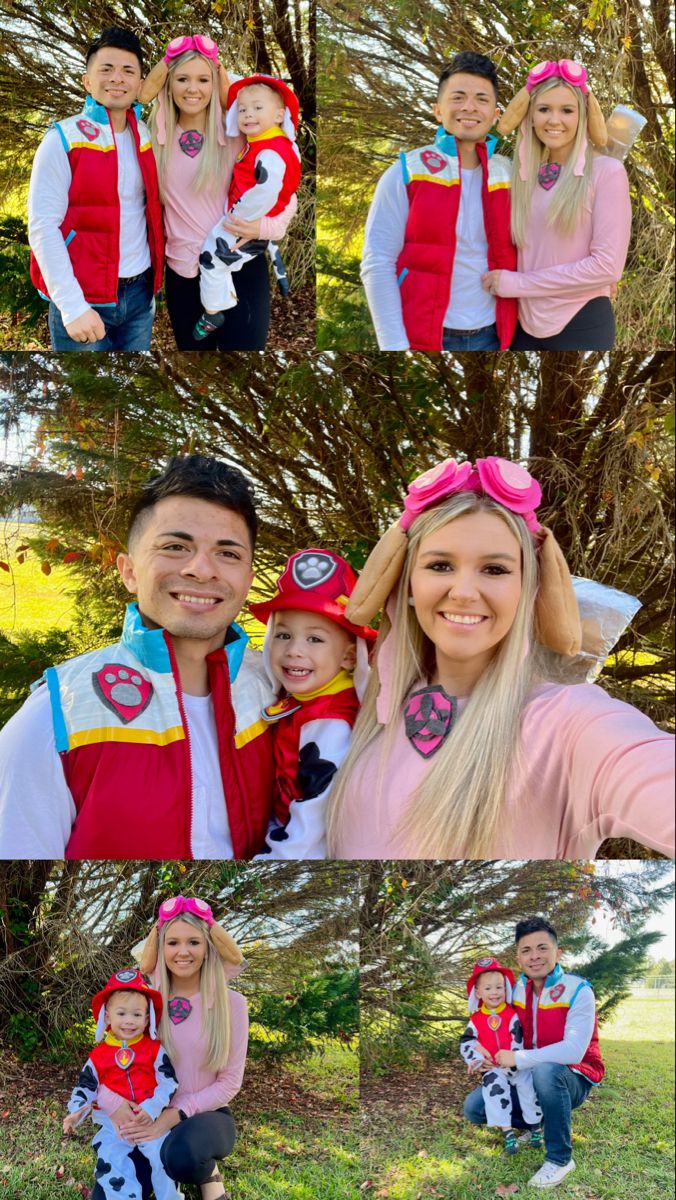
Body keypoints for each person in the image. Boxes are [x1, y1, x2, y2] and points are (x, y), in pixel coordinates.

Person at [326, 455, 675, 858]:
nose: (463, 592)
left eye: (494, 570)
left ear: (527, 590)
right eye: (440, 565)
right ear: (406, 584)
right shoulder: (367, 702)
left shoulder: (571, 722)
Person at [0, 455, 275, 859]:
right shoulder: (57, 714)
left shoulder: (282, 695)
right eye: (175, 547)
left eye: (228, 554)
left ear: (248, 579)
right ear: (129, 571)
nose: (202, 570)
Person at [140, 37, 298, 351]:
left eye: (203, 79)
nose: (192, 88)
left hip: (239, 265)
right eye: (182, 79)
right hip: (182, 273)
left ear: (215, 83)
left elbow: (286, 191)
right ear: (169, 85)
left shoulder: (241, 134)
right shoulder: (152, 138)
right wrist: (167, 60)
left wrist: (267, 228)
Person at [91, 895, 248, 1200]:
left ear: (207, 947)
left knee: (183, 1156)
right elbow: (115, 1059)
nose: (183, 952)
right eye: (172, 942)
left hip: (204, 1114)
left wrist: (174, 1115)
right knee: (105, 1196)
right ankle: (157, 1169)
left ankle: (208, 1175)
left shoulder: (232, 1004)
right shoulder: (147, 1002)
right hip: (150, 1112)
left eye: (194, 942)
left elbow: (230, 1083)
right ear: (162, 948)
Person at [361, 51, 517, 351]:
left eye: (482, 99)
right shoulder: (408, 171)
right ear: (438, 110)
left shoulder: (511, 175)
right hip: (425, 335)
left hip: (497, 335)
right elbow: (378, 261)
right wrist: (394, 344)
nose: (469, 107)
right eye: (458, 97)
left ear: (496, 115)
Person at [28, 27, 164, 350]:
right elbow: (43, 227)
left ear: (140, 85)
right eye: (106, 69)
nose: (117, 78)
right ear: (87, 81)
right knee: (85, 398)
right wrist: (72, 306)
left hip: (139, 299)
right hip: (83, 300)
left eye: (128, 71)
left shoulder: (146, 136)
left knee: (131, 394)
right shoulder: (62, 139)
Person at [481, 60, 631, 350]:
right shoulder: (521, 176)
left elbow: (607, 267)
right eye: (544, 109)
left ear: (583, 115)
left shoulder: (607, 172)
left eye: (567, 110)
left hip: (581, 322)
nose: (554, 120)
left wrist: (516, 284)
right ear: (530, 116)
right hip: (522, 324)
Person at [248, 550, 377, 857]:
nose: (293, 650)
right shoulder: (306, 696)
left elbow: (317, 807)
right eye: (282, 635)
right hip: (281, 828)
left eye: (315, 639)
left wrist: (279, 856)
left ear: (348, 656)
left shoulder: (330, 720)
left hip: (303, 847)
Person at [464, 918, 604, 1189]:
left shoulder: (578, 990)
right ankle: (533, 1123)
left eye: (542, 948)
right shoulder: (514, 990)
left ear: (558, 953)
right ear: (518, 957)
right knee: (475, 1107)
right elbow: (492, 1026)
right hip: (526, 1074)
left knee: (546, 1070)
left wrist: (518, 1058)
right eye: (526, 950)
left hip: (572, 1076)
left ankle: (560, 1159)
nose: (534, 956)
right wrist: (480, 1056)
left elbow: (574, 1051)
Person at [193, 74, 301, 340]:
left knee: (211, 260)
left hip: (243, 222)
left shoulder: (270, 150)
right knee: (224, 262)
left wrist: (239, 218)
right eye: (242, 109)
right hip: (249, 220)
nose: (248, 114)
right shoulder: (268, 143)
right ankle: (221, 302)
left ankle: (213, 310)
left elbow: (267, 190)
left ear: (279, 115)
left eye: (257, 108)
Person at [64, 970, 180, 1200]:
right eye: (121, 1013)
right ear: (107, 1017)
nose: (129, 1020)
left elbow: (169, 1081)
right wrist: (76, 1112)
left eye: (137, 1014)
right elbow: (85, 1087)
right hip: (114, 1126)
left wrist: (151, 1108)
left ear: (147, 1019)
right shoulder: (98, 1057)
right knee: (110, 1162)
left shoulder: (154, 1049)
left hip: (150, 1120)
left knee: (163, 1158)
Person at [460, 957, 542, 1154]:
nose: (494, 992)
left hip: (514, 1064)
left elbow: (518, 1038)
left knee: (527, 1088)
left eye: (499, 987)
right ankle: (508, 1133)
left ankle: (535, 1126)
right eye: (488, 989)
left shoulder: (512, 1014)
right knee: (494, 1091)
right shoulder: (476, 1019)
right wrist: (476, 1060)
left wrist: (513, 1059)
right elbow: (467, 1042)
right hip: (493, 1067)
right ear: (478, 993)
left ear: (505, 988)